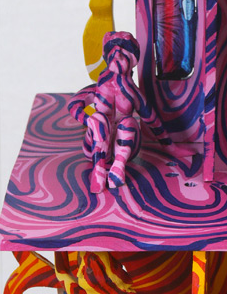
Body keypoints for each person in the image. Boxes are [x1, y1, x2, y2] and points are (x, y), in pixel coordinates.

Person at [68, 31, 187, 193]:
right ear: (106, 55)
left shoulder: (133, 93)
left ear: (134, 59)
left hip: (125, 150)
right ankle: (99, 168)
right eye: (113, 50)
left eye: (124, 50)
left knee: (128, 122)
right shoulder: (99, 87)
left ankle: (118, 169)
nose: (118, 54)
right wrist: (89, 121)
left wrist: (171, 148)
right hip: (93, 147)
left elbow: (153, 121)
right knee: (98, 119)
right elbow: (73, 104)